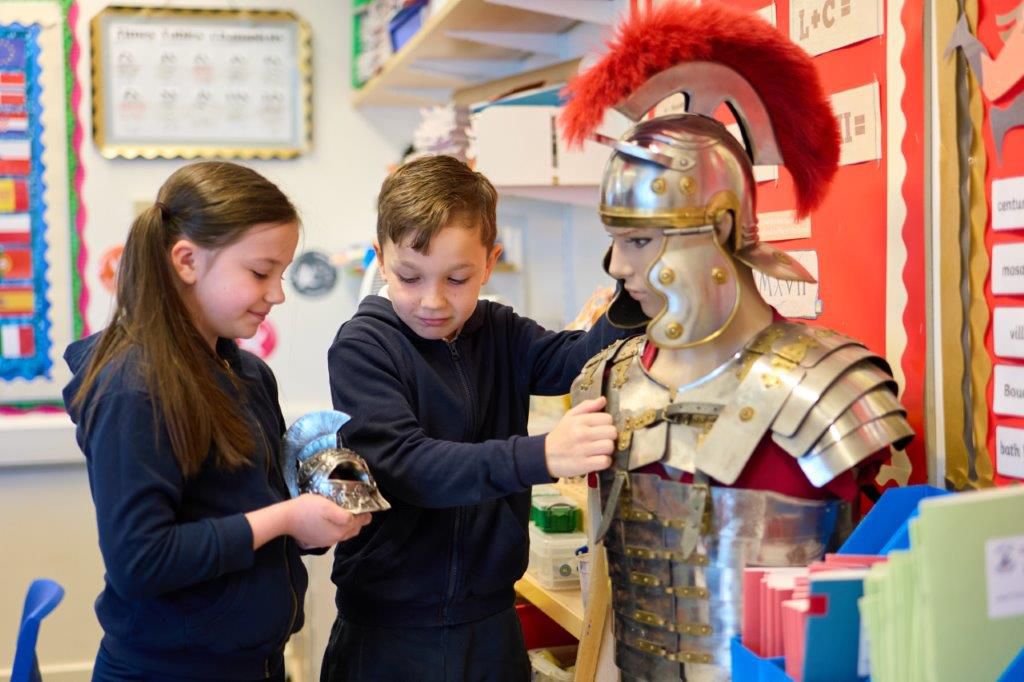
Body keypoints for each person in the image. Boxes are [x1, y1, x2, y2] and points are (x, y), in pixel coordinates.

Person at [559, 3, 914, 680]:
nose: (618, 268)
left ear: (721, 228)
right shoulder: (608, 380)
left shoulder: (828, 388)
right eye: (616, 240)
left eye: (639, 240)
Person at [321, 155, 633, 681]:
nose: (433, 300)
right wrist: (543, 454)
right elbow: (405, 464)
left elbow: (579, 359)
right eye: (409, 277)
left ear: (490, 263)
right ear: (381, 259)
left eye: (458, 278)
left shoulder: (502, 332)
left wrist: (634, 285)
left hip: (490, 625)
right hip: (393, 636)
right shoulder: (363, 347)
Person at [63, 161, 370, 682]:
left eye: (282, 274)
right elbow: (141, 560)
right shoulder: (133, 389)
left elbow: (254, 505)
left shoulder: (247, 373)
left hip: (257, 661)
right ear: (186, 260)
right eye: (259, 272)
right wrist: (287, 519)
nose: (277, 294)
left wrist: (316, 518)